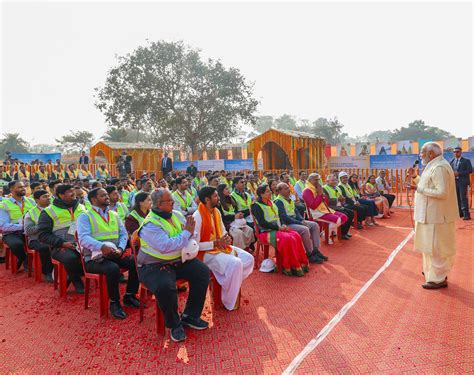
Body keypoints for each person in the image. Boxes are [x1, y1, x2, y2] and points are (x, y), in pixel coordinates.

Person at [137, 189, 210, 342]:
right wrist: (187, 233)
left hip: (177, 260)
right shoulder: (151, 224)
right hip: (154, 265)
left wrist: (190, 234)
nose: (173, 202)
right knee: (164, 286)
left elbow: (187, 233)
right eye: (169, 200)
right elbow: (166, 245)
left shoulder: (175, 215)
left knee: (202, 272)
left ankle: (191, 315)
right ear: (158, 204)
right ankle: (174, 324)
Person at [77, 188, 140, 319]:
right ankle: (114, 303)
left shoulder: (114, 215)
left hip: (115, 253)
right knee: (113, 269)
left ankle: (129, 295)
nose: (107, 197)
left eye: (107, 195)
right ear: (93, 199)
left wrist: (121, 248)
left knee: (135, 261)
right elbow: (83, 238)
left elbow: (123, 234)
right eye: (103, 195)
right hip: (94, 258)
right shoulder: (85, 216)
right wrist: (102, 247)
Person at [407, 142, 458, 289]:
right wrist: (416, 177)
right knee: (429, 247)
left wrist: (418, 188)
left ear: (431, 153)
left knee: (437, 248)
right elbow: (427, 184)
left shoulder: (440, 167)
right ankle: (433, 273)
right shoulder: (434, 165)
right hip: (430, 216)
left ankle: (438, 278)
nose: (420, 155)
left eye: (423, 152)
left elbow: (442, 193)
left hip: (437, 217)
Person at [193, 186, 254, 310]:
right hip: (206, 253)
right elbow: (195, 245)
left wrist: (226, 238)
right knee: (236, 264)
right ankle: (228, 302)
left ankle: (227, 284)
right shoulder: (197, 216)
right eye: (215, 196)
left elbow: (222, 230)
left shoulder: (216, 212)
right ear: (207, 199)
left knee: (248, 259)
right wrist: (215, 243)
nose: (218, 198)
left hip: (221, 247)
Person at [37, 184, 86, 294]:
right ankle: (77, 281)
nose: (74, 193)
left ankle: (71, 276)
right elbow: (43, 235)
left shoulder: (81, 207)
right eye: (69, 191)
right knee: (70, 258)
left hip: (83, 243)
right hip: (61, 246)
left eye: (73, 190)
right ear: (61, 195)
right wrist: (62, 243)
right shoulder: (49, 211)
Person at [251, 184, 309, 276]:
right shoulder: (256, 206)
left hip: (277, 229)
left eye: (270, 190)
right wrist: (278, 228)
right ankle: (288, 267)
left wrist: (283, 225)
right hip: (265, 232)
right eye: (268, 191)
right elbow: (262, 222)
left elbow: (279, 217)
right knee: (287, 238)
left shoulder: (271, 203)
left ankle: (300, 264)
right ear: (261, 194)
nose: (270, 192)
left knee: (295, 235)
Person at [274, 182, 326, 263]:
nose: (289, 189)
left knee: (314, 225)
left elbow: (296, 212)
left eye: (288, 187)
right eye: (286, 188)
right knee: (305, 229)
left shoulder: (289, 199)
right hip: (286, 224)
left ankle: (316, 250)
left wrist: (302, 220)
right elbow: (285, 218)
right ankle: (309, 254)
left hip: (295, 221)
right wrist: (300, 222)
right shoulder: (278, 201)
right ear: (280, 191)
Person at [303, 173, 348, 244]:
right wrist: (320, 194)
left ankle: (324, 233)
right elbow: (313, 206)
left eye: (318, 180)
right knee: (338, 219)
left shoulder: (317, 188)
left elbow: (325, 202)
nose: (317, 182)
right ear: (310, 180)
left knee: (344, 217)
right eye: (315, 180)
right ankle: (326, 235)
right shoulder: (307, 190)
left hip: (325, 209)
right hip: (315, 212)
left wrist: (322, 195)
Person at [0, 180, 35, 271]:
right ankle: (25, 259)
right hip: (12, 233)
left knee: (44, 241)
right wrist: (22, 227)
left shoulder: (31, 201)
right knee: (16, 244)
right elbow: (3, 226)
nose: (23, 188)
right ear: (11, 189)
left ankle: (45, 267)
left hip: (30, 231)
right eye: (20, 187)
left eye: (23, 186)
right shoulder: (4, 205)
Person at [23, 189, 54, 282]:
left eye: (48, 196)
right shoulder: (31, 213)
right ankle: (47, 272)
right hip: (36, 239)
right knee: (45, 247)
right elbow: (28, 231)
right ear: (36, 200)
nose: (48, 198)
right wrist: (41, 226)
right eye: (44, 197)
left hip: (52, 237)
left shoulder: (54, 209)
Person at [216, 184, 255, 250]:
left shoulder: (230, 199)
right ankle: (238, 250)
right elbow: (222, 218)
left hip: (237, 222)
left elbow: (235, 211)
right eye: (226, 189)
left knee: (249, 230)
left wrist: (239, 214)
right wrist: (234, 217)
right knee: (238, 233)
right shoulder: (219, 204)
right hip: (228, 224)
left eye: (228, 188)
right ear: (221, 191)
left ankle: (247, 246)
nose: (228, 190)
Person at [323, 175, 354, 239]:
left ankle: (345, 232)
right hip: (330, 207)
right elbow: (326, 201)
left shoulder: (337, 188)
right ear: (327, 181)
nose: (335, 181)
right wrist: (338, 199)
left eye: (336, 180)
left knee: (351, 213)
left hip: (339, 206)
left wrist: (343, 200)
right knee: (346, 214)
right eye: (333, 180)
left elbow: (342, 198)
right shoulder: (324, 188)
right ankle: (342, 233)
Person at [449, 146, 472, 220]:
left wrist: (459, 173)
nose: (456, 153)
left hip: (463, 183)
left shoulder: (466, 161)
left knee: (463, 198)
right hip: (455, 182)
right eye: (454, 152)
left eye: (457, 151)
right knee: (456, 198)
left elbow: (470, 170)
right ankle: (460, 214)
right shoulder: (452, 161)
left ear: (461, 152)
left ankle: (466, 215)